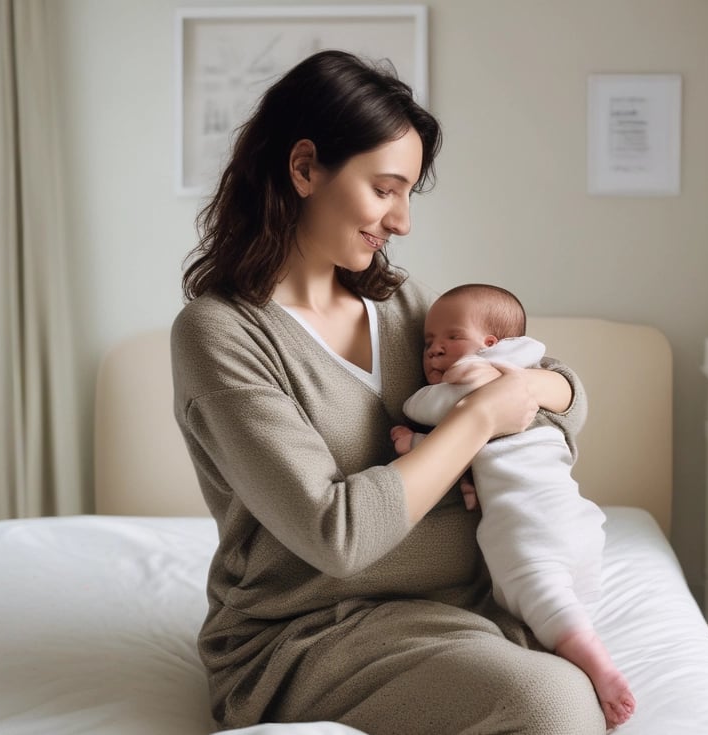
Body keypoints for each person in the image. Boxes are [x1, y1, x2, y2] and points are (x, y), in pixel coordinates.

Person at [171, 49, 605, 734]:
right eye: (385, 189)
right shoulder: (220, 334)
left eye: (407, 194)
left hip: (460, 612)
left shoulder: (403, 306)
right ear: (305, 167)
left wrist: (534, 385)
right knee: (554, 707)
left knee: (566, 692)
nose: (401, 221)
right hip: (309, 636)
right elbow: (335, 534)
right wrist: (481, 416)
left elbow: (564, 397)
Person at [390, 283, 635, 728]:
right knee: (568, 600)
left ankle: (601, 669)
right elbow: (478, 445)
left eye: (450, 338)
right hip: (576, 520)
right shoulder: (528, 374)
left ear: (490, 346)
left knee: (542, 594)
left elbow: (433, 410)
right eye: (427, 342)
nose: (433, 351)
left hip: (529, 526)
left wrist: (411, 433)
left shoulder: (475, 379)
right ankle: (575, 647)